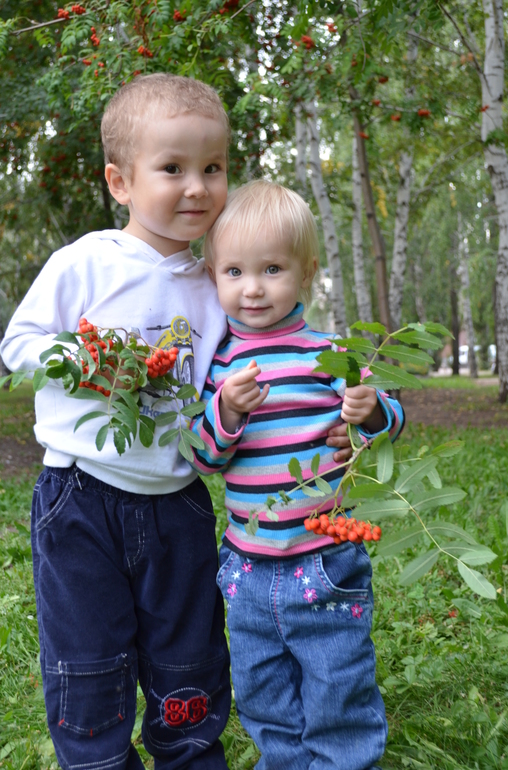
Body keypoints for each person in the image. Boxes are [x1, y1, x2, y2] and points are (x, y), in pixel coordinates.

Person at [0, 74, 234, 770]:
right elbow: (17, 345)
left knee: (188, 655)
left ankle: (191, 753)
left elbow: (235, 375)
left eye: (213, 168)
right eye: (173, 169)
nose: (197, 186)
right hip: (82, 499)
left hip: (178, 504)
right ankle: (97, 759)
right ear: (120, 181)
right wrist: (85, 361)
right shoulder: (86, 262)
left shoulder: (218, 282)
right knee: (88, 659)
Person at [190, 180, 405, 770]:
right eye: (233, 271)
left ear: (306, 272)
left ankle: (340, 759)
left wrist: (369, 414)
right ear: (213, 275)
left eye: (272, 269)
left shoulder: (327, 353)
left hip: (325, 559)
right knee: (262, 691)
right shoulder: (219, 367)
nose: (252, 287)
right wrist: (227, 411)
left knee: (338, 682)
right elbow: (204, 458)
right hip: (248, 564)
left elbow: (385, 421)